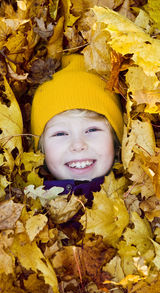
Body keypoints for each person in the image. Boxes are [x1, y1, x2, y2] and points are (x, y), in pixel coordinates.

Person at [31, 54, 123, 201]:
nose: (78, 145)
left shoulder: (139, 195)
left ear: (115, 140)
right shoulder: (29, 203)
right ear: (41, 150)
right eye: (60, 134)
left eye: (92, 130)